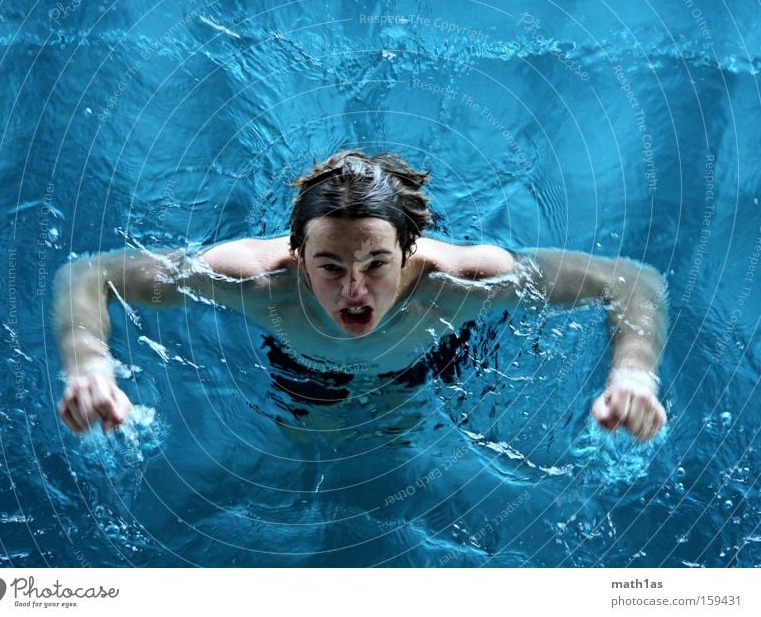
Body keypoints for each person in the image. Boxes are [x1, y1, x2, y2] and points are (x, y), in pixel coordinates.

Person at [53, 150, 668, 440]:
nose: (353, 289)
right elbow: (89, 276)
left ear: (409, 251)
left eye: (376, 263)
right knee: (314, 462)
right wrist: (89, 368)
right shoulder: (256, 281)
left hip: (427, 353)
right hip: (305, 360)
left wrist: (634, 376)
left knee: (401, 452)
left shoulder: (463, 283)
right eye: (328, 265)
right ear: (297, 256)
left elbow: (632, 283)